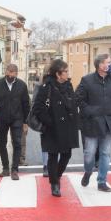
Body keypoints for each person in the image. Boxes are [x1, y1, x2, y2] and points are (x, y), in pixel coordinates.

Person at [33, 59, 79, 197]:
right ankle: (54, 184)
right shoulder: (46, 87)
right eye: (65, 71)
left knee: (67, 154)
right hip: (52, 128)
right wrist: (50, 122)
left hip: (68, 128)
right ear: (58, 74)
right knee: (53, 156)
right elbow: (37, 108)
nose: (67, 73)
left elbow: (73, 102)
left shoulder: (68, 86)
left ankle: (56, 176)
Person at [75, 54, 111, 192]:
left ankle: (102, 181)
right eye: (108, 62)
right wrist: (90, 110)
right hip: (92, 123)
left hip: (110, 123)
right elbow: (79, 100)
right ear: (100, 65)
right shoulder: (87, 80)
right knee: (89, 153)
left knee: (105, 153)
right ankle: (88, 171)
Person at [0, 64, 30, 181]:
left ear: (16, 73)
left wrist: (26, 122)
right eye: (8, 72)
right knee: (2, 143)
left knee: (17, 143)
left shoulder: (22, 85)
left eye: (13, 73)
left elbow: (26, 105)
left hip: (17, 119)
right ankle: (5, 168)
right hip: (2, 119)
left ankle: (15, 169)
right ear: (6, 71)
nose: (10, 75)